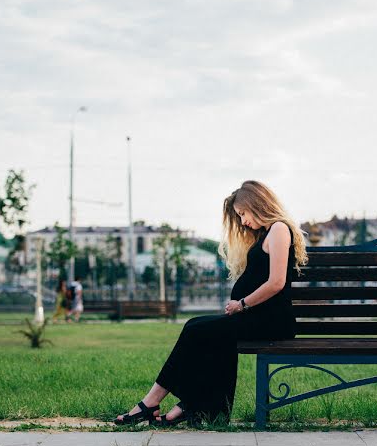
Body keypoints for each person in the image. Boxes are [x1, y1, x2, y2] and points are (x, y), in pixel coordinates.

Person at [114, 180, 308, 426]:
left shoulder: (279, 229)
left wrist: (242, 304)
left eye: (242, 214)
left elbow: (276, 283)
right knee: (200, 328)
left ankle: (153, 403)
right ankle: (193, 407)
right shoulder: (266, 234)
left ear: (257, 204)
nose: (243, 221)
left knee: (197, 329)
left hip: (272, 322)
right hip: (257, 317)